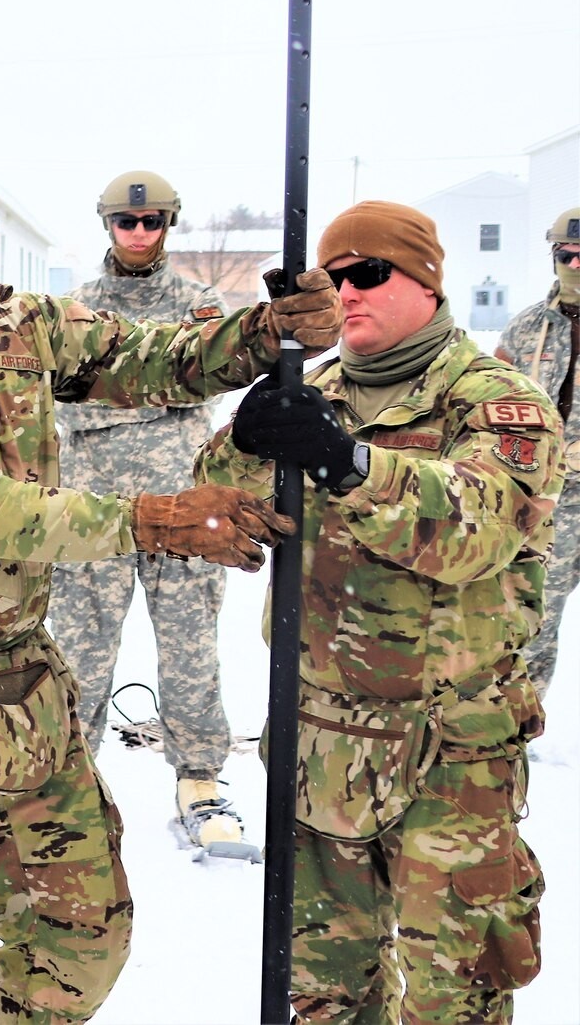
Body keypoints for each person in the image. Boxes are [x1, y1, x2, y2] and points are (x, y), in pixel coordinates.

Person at [0, 146, 340, 1024]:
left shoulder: (19, 324)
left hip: (15, 678)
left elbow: (155, 358)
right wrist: (154, 518)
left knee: (82, 931)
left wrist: (264, 335)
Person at [205, 201, 556, 1024]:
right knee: (322, 990)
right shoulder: (312, 393)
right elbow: (219, 511)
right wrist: (244, 441)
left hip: (448, 752)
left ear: (427, 283)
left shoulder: (500, 402)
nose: (347, 294)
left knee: (453, 996)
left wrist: (348, 462)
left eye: (369, 274)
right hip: (318, 741)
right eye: (334, 280)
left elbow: (473, 527)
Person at [47, 171, 245, 854]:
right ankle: (65, 780)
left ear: (169, 224)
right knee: (78, 650)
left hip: (186, 504)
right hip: (94, 508)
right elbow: (64, 398)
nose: (139, 232)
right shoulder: (75, 309)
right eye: (127, 222)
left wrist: (117, 389)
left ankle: (200, 777)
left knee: (192, 648)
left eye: (153, 221)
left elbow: (210, 384)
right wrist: (165, 385)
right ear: (108, 225)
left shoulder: (200, 303)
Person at [494, 204, 580, 702]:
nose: (573, 266)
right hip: (546, 497)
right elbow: (491, 402)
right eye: (565, 255)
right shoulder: (527, 328)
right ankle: (520, 717)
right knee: (536, 608)